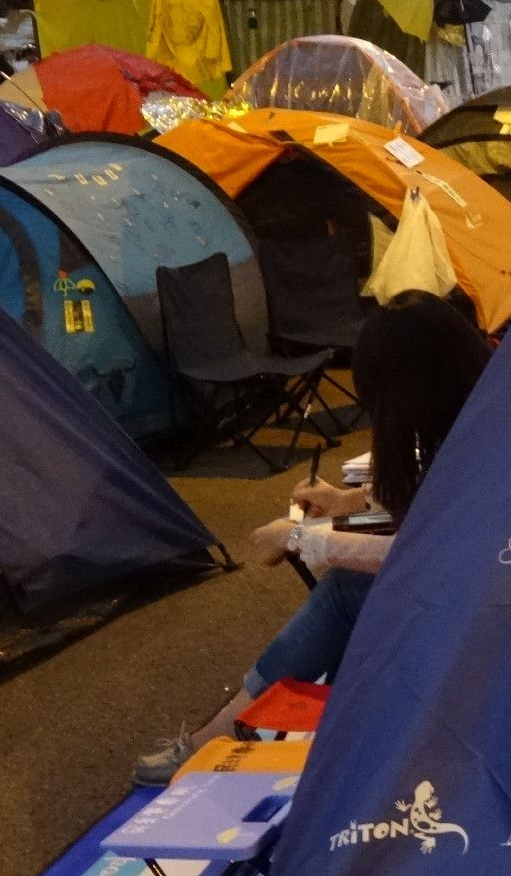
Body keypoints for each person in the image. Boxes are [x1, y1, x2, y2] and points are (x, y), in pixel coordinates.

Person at [133, 292, 490, 784]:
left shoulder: (479, 437)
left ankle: (217, 739)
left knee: (347, 590)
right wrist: (348, 503)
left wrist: (304, 538)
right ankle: (250, 734)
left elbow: (427, 554)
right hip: (507, 597)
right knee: (351, 589)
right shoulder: (486, 411)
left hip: (497, 615)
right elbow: (441, 507)